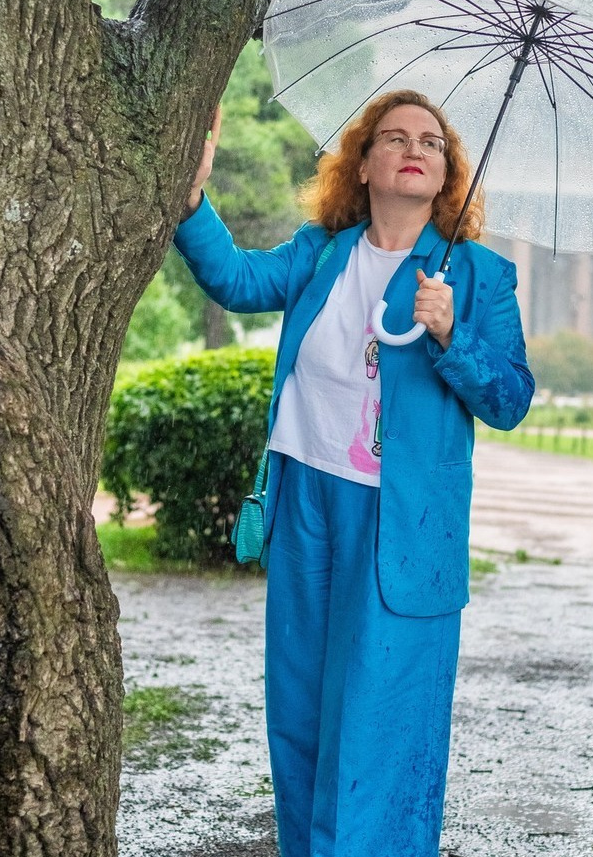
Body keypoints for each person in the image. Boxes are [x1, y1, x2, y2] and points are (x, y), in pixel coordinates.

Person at [174, 89, 534, 857]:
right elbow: (236, 281)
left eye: (432, 143)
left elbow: (510, 399)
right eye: (395, 137)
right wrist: (192, 199)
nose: (415, 149)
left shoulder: (477, 276)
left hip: (401, 523)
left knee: (381, 724)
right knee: (301, 711)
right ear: (363, 164)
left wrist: (452, 334)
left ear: (447, 174)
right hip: (306, 499)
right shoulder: (321, 253)